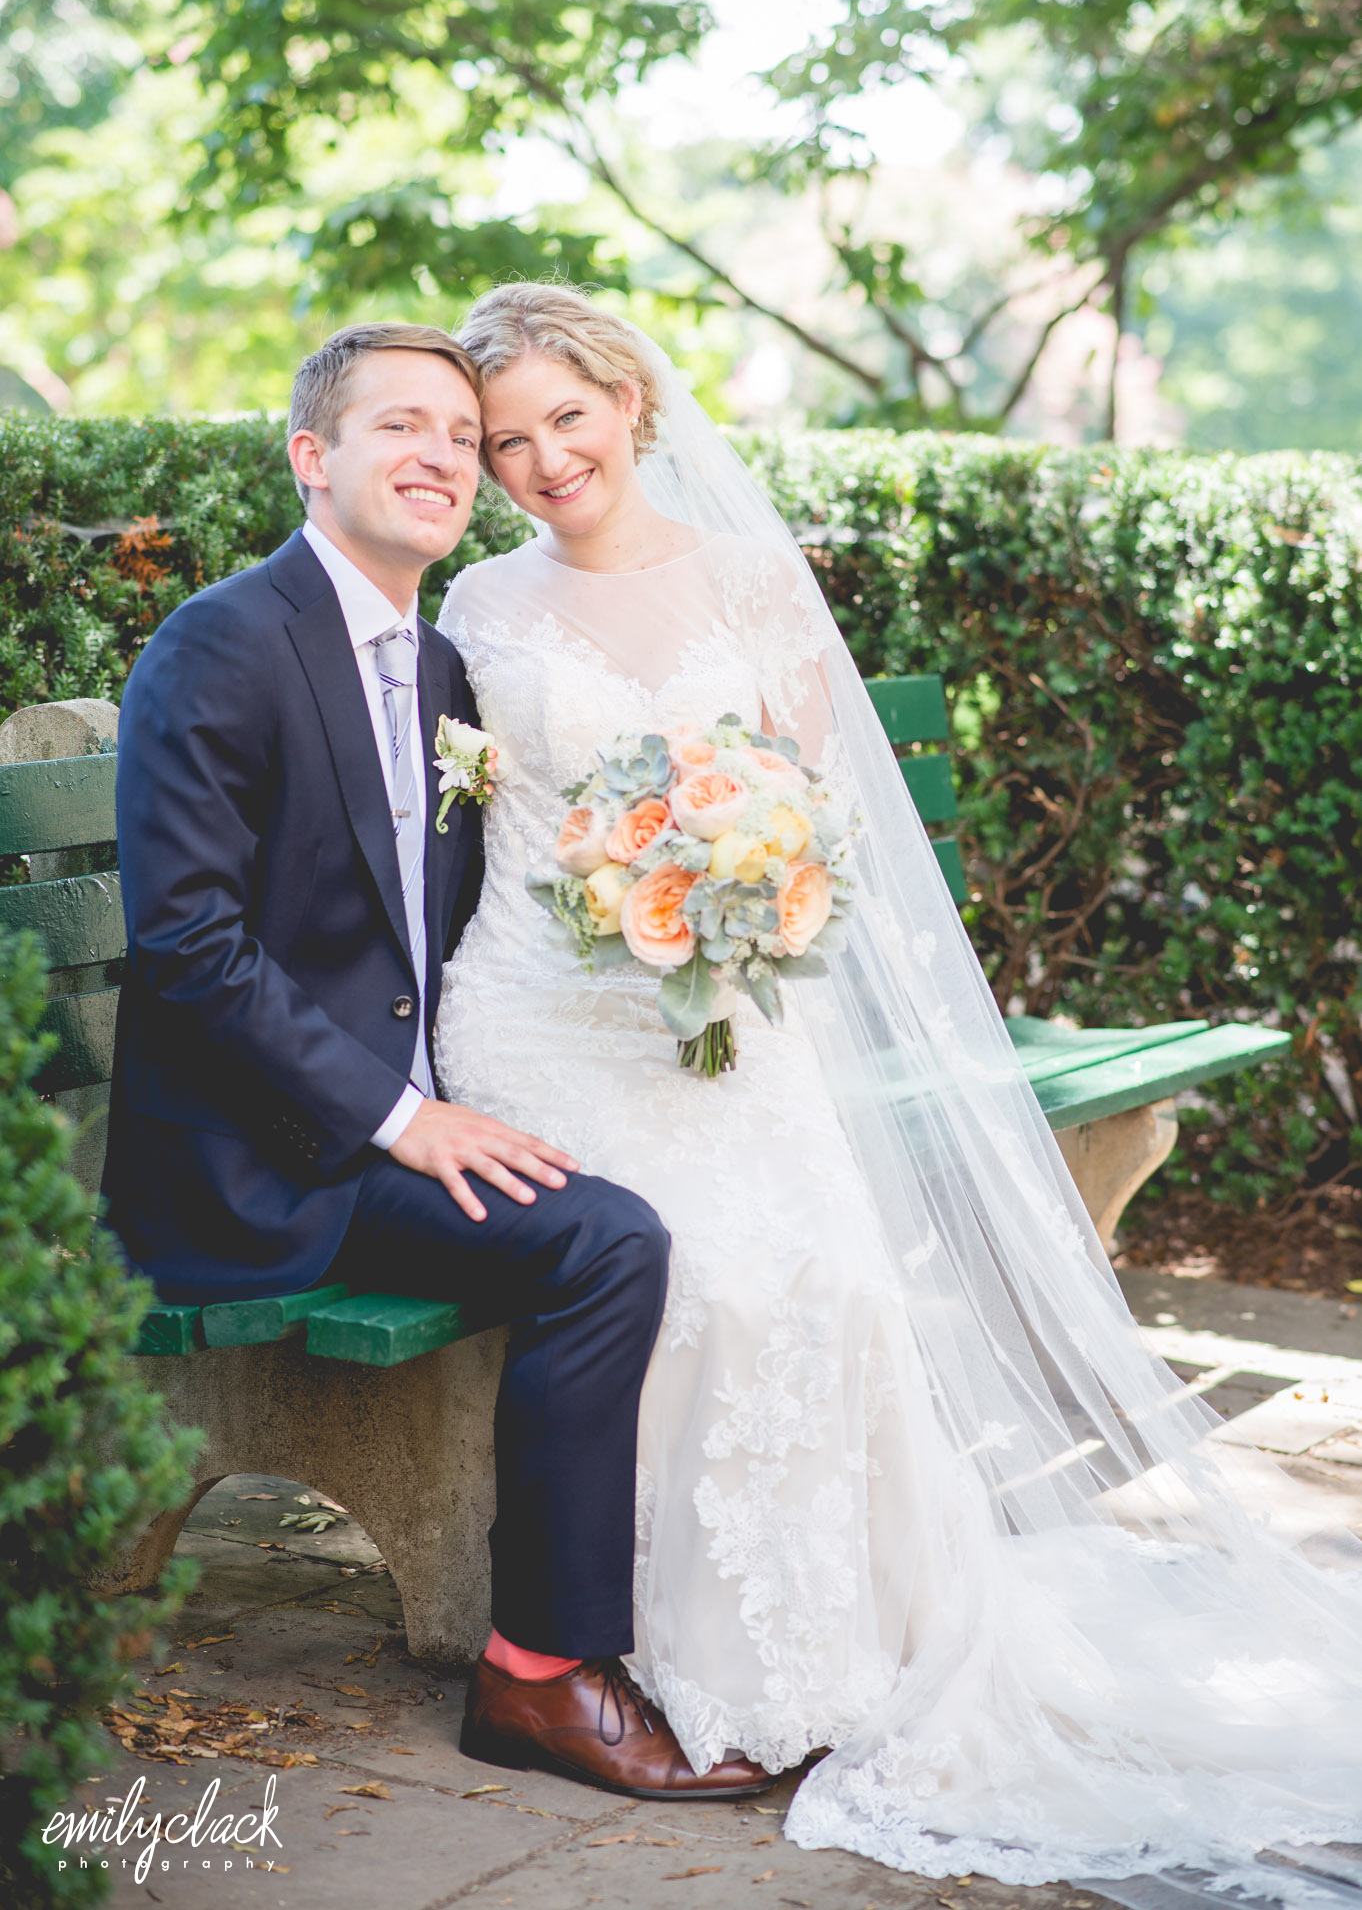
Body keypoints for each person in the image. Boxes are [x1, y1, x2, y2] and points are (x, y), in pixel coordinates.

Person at [434, 282, 1362, 1898]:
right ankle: (648, 1657)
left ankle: (828, 1658)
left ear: (628, 400)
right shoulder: (480, 614)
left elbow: (813, 812)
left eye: (564, 420)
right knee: (702, 1271)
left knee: (833, 1276)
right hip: (536, 1016)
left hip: (724, 1006)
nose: (540, 460)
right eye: (508, 442)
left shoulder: (743, 581)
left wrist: (754, 898)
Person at [102, 318, 774, 1803]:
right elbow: (189, 949)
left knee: (620, 1209)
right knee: (607, 1243)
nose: (445, 457)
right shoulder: (224, 641)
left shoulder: (441, 662)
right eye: (401, 426)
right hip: (256, 1165)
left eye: (465, 439)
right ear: (311, 458)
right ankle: (538, 1675)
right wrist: (405, 1119)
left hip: (391, 1110)